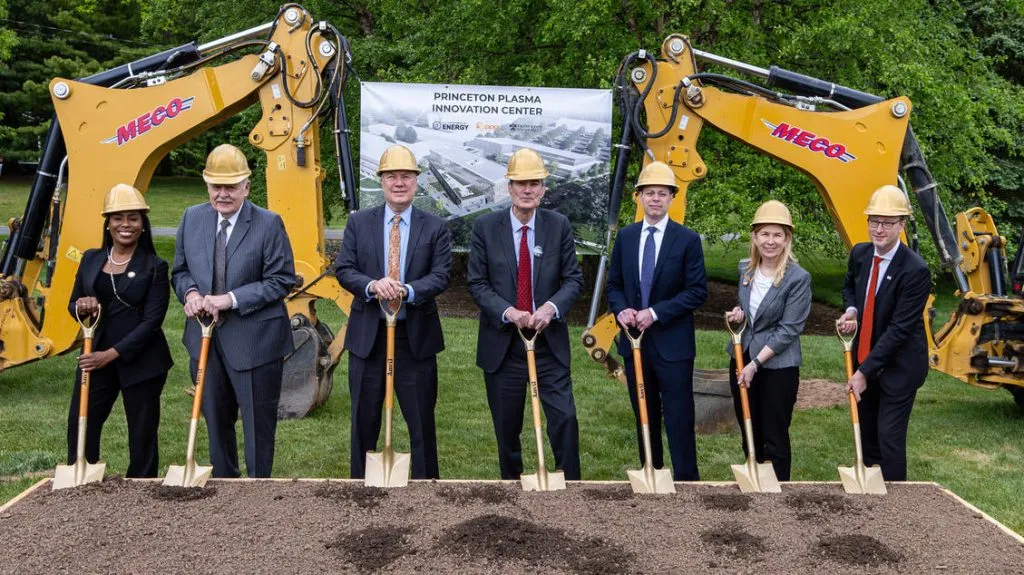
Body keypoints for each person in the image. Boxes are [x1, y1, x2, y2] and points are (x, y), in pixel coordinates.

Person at [171, 143, 296, 478]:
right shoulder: (192, 218)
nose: (222, 194)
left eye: (230, 186)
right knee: (215, 420)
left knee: (257, 427)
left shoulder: (268, 224)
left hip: (255, 342)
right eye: (216, 186)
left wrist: (230, 299)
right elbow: (180, 271)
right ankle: (224, 486)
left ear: (246, 187)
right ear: (207, 185)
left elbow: (281, 280)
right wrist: (191, 293)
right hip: (204, 341)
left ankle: (257, 489)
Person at [335, 145, 452, 479]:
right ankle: (360, 488)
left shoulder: (435, 227)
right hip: (368, 339)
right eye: (391, 176)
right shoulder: (359, 223)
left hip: (414, 340)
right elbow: (345, 269)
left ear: (416, 182)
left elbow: (441, 275)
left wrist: (408, 290)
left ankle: (427, 488)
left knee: (421, 424)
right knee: (363, 423)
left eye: (406, 176)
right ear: (382, 182)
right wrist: (373, 285)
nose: (399, 183)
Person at [467, 147, 584, 480]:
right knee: (507, 429)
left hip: (548, 345)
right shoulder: (485, 228)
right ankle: (512, 489)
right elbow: (477, 283)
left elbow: (573, 280)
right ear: (509, 188)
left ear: (543, 189)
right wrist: (508, 312)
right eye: (521, 183)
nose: (527, 190)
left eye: (534, 183)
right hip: (504, 349)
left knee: (564, 418)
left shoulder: (558, 226)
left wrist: (550, 308)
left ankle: (571, 487)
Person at [606, 161, 708, 481]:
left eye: (662, 193)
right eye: (649, 193)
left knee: (679, 416)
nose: (655, 199)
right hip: (635, 344)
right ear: (639, 196)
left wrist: (655, 313)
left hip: (673, 344)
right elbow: (614, 285)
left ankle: (686, 480)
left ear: (672, 197)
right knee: (644, 414)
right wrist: (621, 309)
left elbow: (697, 291)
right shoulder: (626, 237)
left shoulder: (687, 239)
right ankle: (652, 473)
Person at [66, 183, 172, 477]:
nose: (126, 225)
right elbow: (73, 304)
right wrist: (81, 306)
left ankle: (141, 485)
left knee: (142, 432)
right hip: (95, 355)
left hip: (141, 361)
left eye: (133, 218)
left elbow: (152, 322)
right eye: (118, 218)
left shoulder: (155, 266)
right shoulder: (90, 259)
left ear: (143, 224)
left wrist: (110, 355)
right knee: (81, 423)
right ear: (108, 223)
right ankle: (81, 477)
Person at [837, 184, 931, 481]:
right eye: (874, 221)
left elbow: (899, 330)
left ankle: (896, 501)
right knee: (867, 436)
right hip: (867, 356)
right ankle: (871, 495)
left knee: (889, 436)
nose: (879, 229)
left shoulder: (915, 270)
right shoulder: (860, 254)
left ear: (902, 225)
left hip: (900, 365)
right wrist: (852, 310)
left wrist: (863, 372)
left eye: (888, 223)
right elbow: (850, 286)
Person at [724, 200, 811, 481]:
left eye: (777, 235)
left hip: (777, 367)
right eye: (764, 234)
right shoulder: (745, 270)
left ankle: (779, 492)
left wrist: (755, 364)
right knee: (749, 429)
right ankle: (755, 487)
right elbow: (751, 313)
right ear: (754, 236)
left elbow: (788, 329)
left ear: (787, 239)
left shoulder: (798, 278)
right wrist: (738, 317)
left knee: (774, 435)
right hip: (742, 358)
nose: (770, 241)